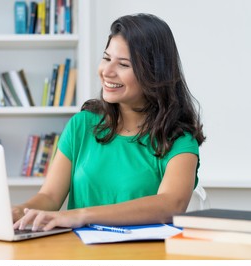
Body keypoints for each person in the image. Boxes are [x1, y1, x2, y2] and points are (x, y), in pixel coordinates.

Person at [12, 13, 205, 231]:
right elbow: (49, 196)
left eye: (123, 64)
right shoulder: (82, 124)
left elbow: (171, 204)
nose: (107, 71)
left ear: (153, 73)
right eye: (106, 58)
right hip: (80, 254)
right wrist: (23, 210)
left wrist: (82, 215)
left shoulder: (178, 138)